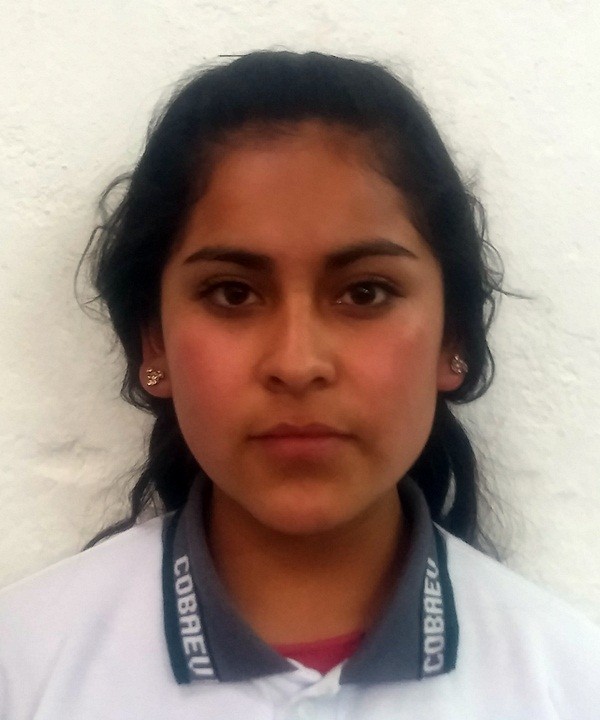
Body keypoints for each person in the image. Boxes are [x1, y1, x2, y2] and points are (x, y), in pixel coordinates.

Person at [0, 50, 598, 719]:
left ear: (451, 339)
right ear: (154, 342)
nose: (297, 362)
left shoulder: (569, 684)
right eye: (232, 293)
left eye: (366, 293)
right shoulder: (22, 667)